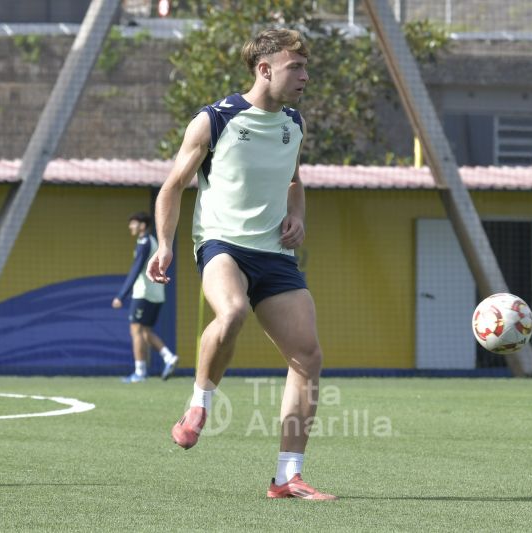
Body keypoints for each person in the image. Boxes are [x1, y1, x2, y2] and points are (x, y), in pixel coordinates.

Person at [147, 28, 335, 500]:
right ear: (264, 69)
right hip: (222, 244)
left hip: (275, 254)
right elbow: (173, 185)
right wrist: (164, 244)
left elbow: (294, 179)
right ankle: (198, 404)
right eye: (297, 67)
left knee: (308, 357)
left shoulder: (294, 123)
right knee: (231, 312)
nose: (305, 77)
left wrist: (296, 215)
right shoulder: (215, 120)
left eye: (306, 68)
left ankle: (286, 478)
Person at [113, 211, 179, 383]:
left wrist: (121, 295)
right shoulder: (151, 241)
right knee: (146, 331)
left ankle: (140, 372)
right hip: (157, 294)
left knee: (136, 330)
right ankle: (168, 357)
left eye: (133, 223)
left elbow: (136, 270)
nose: (130, 226)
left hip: (143, 293)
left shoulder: (144, 242)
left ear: (142, 226)